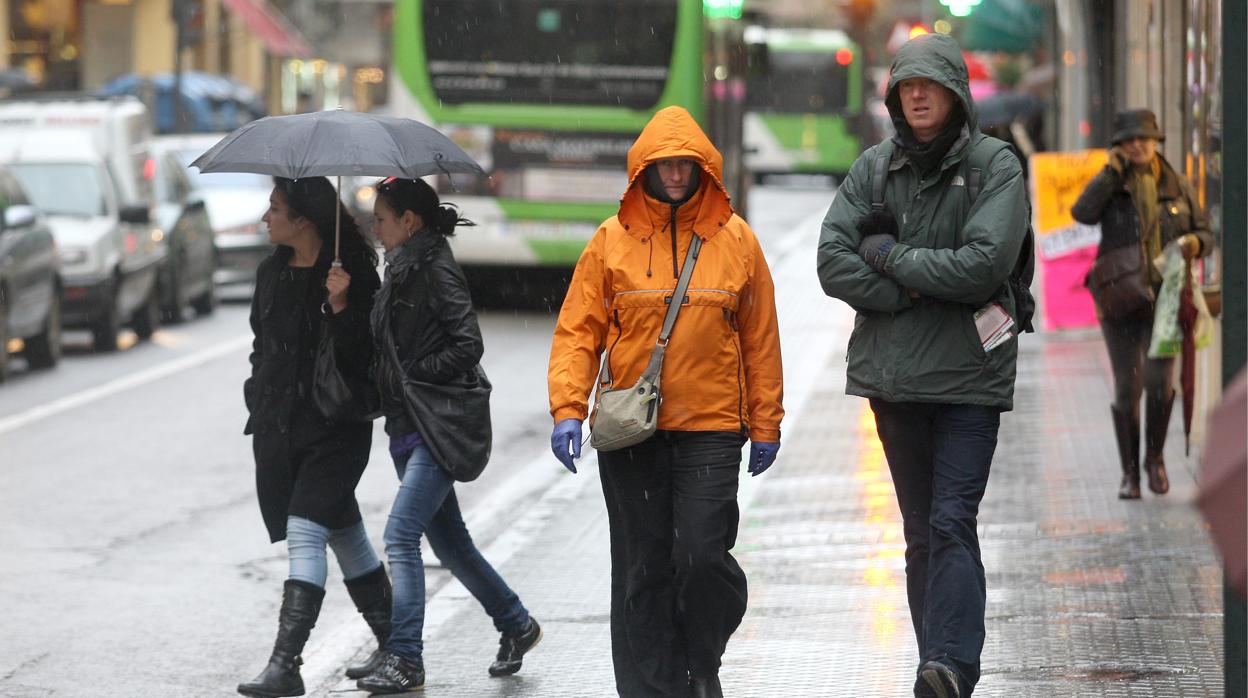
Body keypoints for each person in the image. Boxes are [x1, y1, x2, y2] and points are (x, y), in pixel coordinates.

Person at [817, 34, 1029, 698]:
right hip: (896, 380)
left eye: (928, 85)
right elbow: (831, 262)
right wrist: (907, 292)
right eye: (906, 86)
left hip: (969, 381)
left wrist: (892, 260)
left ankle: (951, 666)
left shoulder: (996, 167)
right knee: (920, 533)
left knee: (950, 521)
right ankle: (935, 664)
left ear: (954, 94)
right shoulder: (874, 170)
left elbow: (982, 267)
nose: (916, 96)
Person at [548, 106, 784, 698]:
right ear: (644, 171)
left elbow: (760, 338)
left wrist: (766, 423)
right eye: (665, 164)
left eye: (685, 164)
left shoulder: (737, 240)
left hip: (712, 429)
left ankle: (701, 661)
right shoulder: (611, 241)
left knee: (703, 559)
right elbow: (578, 332)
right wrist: (568, 409)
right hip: (633, 434)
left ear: (703, 168)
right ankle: (654, 688)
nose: (676, 174)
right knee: (642, 570)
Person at [353, 176, 540, 694]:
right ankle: (517, 624)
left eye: (382, 219)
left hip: (437, 424)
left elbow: (467, 343)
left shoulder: (435, 268)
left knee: (401, 535)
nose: (375, 227)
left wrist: (417, 374)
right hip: (408, 423)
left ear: (408, 221)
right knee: (452, 546)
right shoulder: (400, 268)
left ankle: (406, 657)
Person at [238, 177, 388, 698]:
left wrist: (342, 306)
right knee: (345, 534)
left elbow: (366, 358)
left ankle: (286, 665)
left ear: (302, 218)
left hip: (336, 428)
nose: (266, 217)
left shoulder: (353, 274)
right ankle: (397, 643)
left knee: (305, 532)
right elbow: (262, 346)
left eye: (274, 208)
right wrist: (258, 396)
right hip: (282, 430)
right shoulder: (270, 271)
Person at [1071, 108, 1213, 499]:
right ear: (1118, 147)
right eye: (1128, 140)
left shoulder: (1177, 185)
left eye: (1144, 138)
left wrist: (1193, 243)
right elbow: (1082, 213)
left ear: (1156, 141)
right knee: (1126, 387)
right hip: (1119, 301)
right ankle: (1130, 474)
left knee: (1160, 384)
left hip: (1165, 302)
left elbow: (1206, 234)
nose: (1137, 146)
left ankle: (1155, 459)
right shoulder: (1111, 185)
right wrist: (1110, 173)